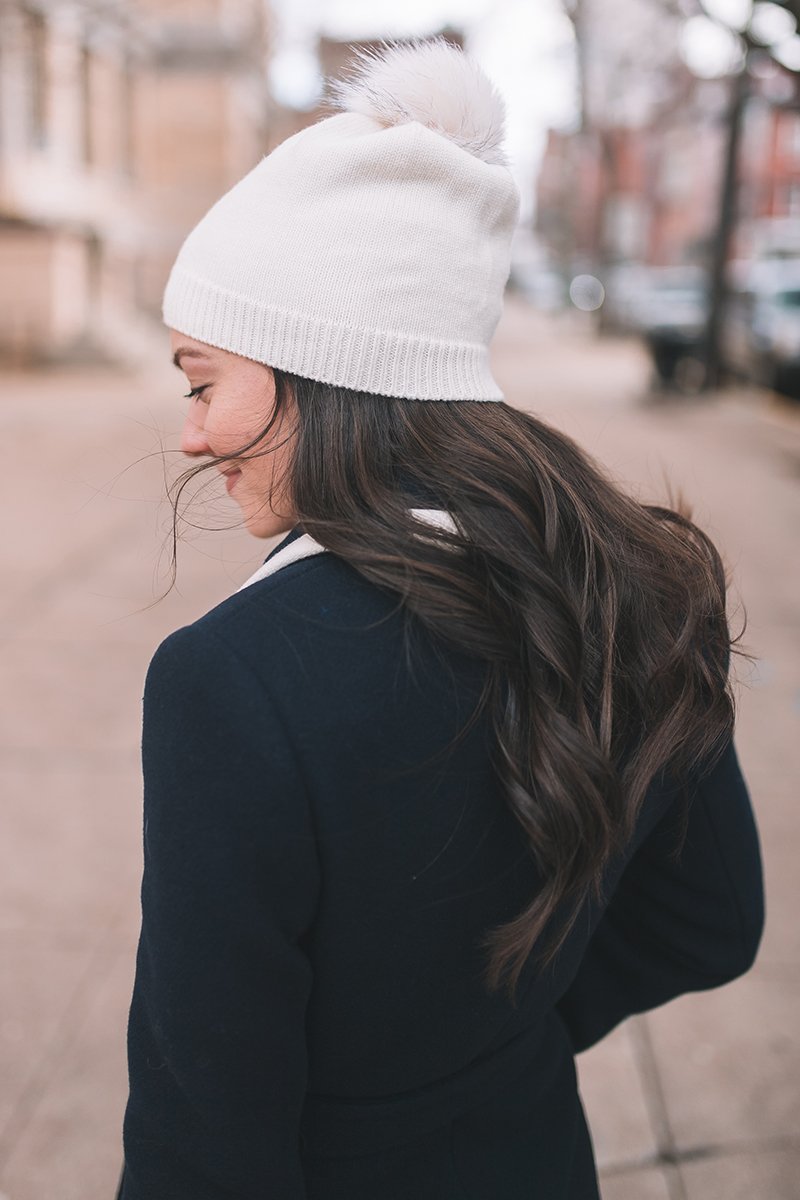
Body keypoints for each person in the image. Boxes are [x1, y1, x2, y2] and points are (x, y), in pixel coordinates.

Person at [117, 38, 764, 1200]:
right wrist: (483, 1060)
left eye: (203, 380)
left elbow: (203, 1137)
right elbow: (707, 922)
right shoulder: (640, 582)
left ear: (316, 363)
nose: (191, 433)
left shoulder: (233, 679)